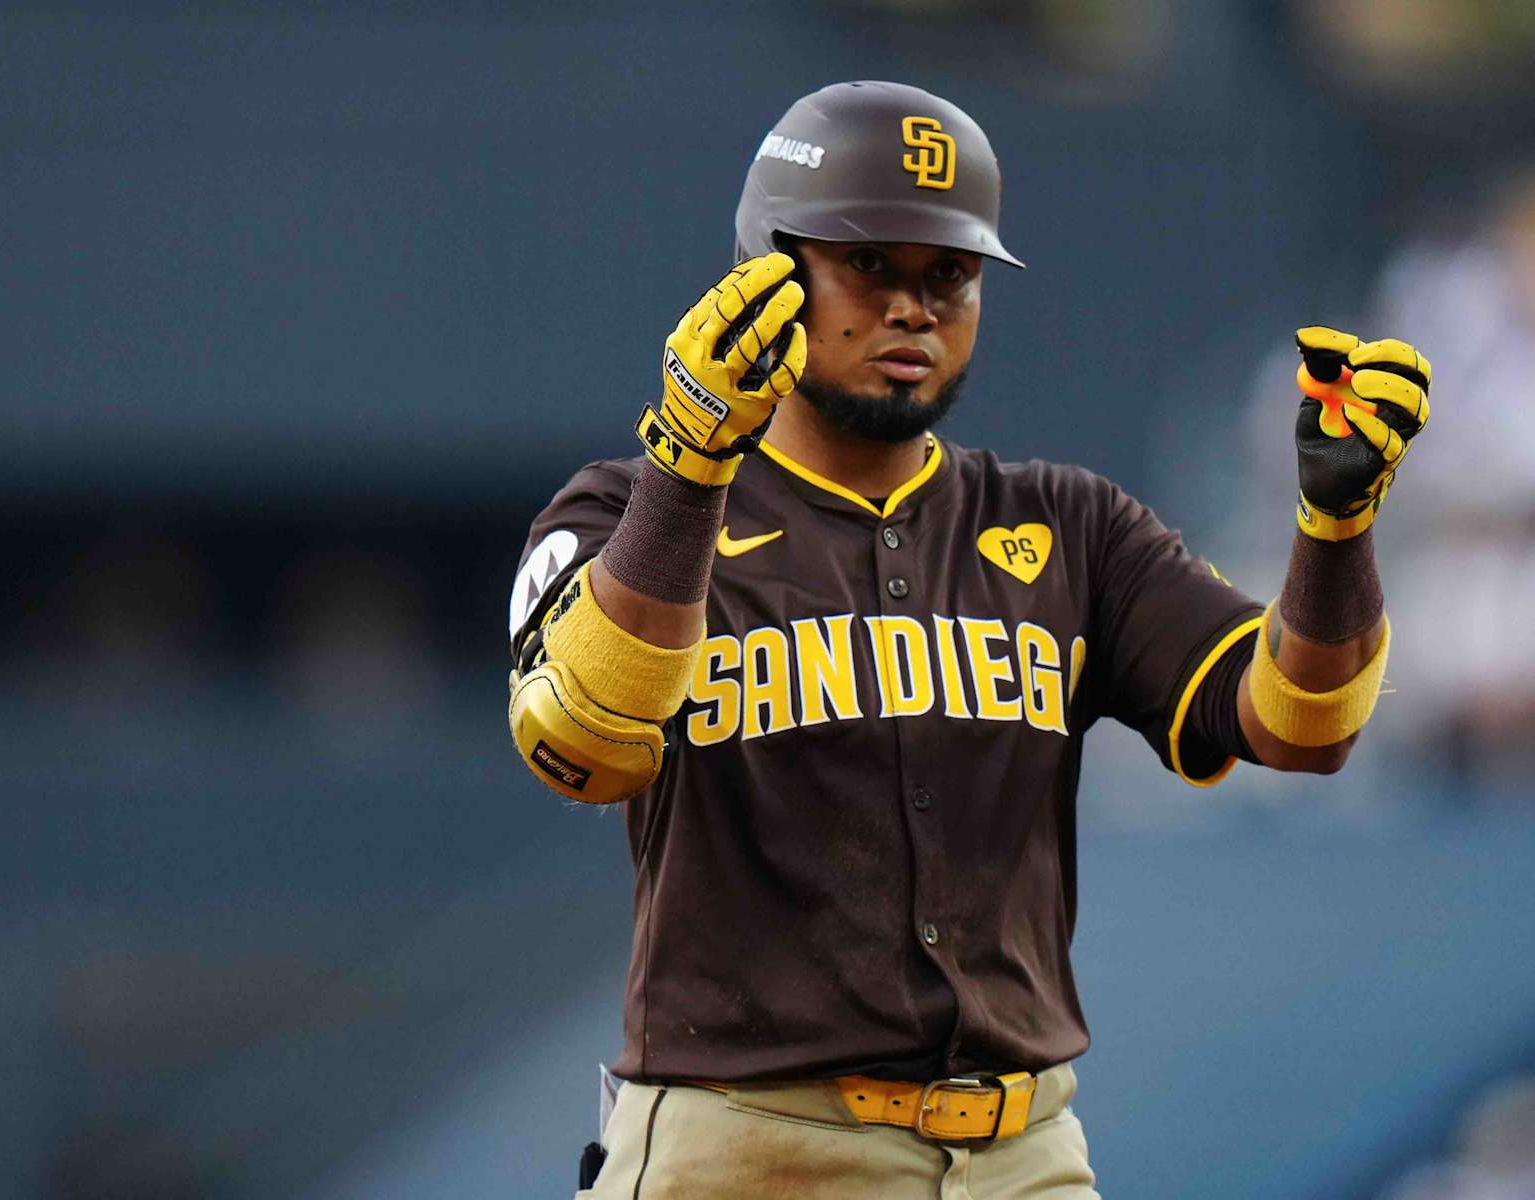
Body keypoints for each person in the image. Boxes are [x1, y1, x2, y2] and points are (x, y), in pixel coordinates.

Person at [505, 81, 1429, 1198]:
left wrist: (1335, 532)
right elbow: (583, 749)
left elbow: (1301, 723)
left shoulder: (1069, 525)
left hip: (1024, 1153)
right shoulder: (625, 514)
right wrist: (691, 466)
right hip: (747, 1148)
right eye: (871, 267)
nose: (913, 309)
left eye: (948, 275)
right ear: (764, 272)